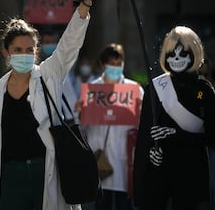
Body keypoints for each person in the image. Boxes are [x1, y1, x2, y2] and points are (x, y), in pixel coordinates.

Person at [0, 0, 103, 210]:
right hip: (9, 177)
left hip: (44, 172)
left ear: (36, 51)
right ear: (5, 53)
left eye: (29, 49)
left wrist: (86, 2)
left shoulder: (49, 74)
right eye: (17, 50)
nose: (24, 55)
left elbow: (70, 44)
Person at [133, 25, 215, 210]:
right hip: (159, 171)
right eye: (172, 54)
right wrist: (150, 154)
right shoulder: (155, 88)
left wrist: (176, 134)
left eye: (182, 54)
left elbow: (211, 136)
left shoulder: (204, 90)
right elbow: (145, 136)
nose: (176, 59)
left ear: (195, 53)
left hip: (191, 172)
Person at [82, 43, 144, 210]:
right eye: (111, 64)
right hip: (101, 159)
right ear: (102, 65)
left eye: (118, 64)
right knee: (102, 203)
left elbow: (142, 123)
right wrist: (82, 112)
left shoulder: (134, 89)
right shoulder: (93, 89)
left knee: (125, 204)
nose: (115, 68)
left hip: (124, 159)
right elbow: (83, 125)